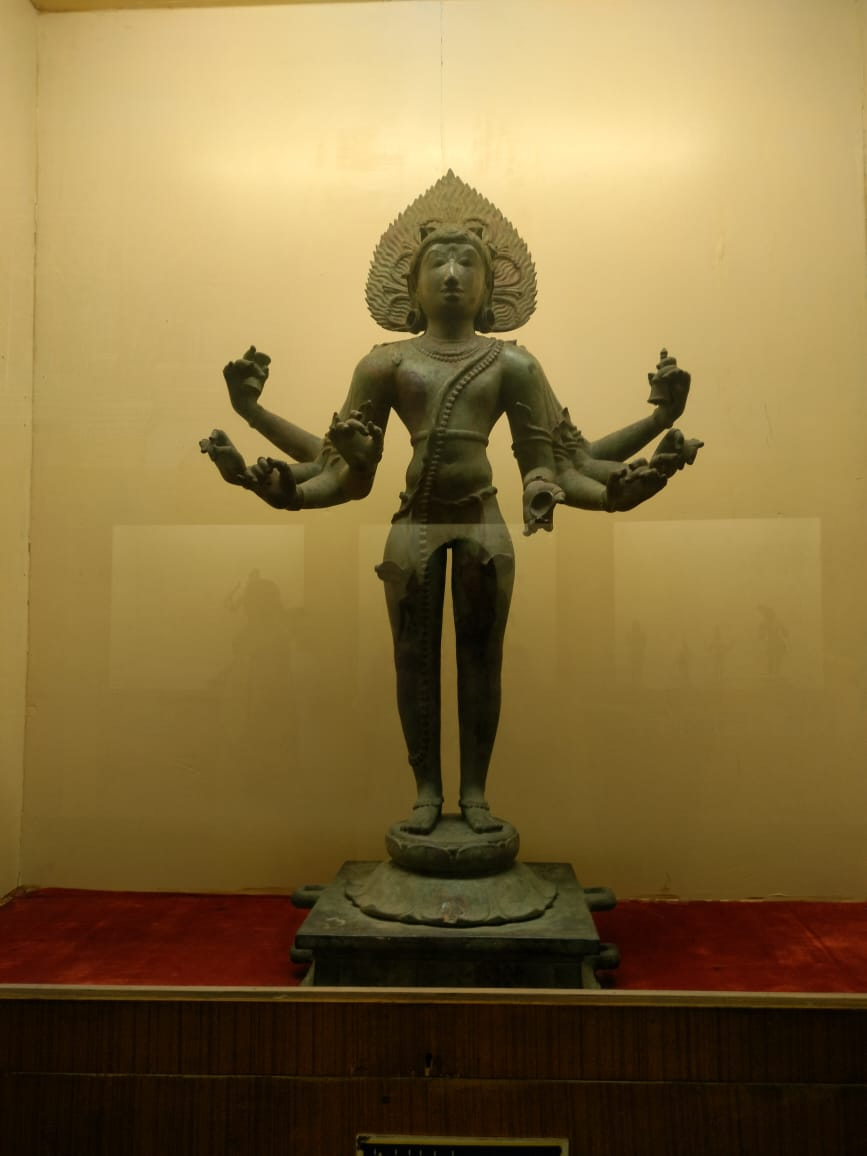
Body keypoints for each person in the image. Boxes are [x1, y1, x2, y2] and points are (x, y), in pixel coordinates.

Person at [201, 177, 700, 836]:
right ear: (410, 287)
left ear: (491, 289)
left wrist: (637, 466)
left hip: (481, 522)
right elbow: (338, 472)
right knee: (412, 664)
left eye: (468, 261)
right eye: (437, 261)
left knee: (481, 664)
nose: (453, 273)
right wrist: (262, 447)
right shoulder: (385, 364)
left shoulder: (513, 365)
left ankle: (475, 791)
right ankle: (427, 791)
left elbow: (561, 465)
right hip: (412, 524)